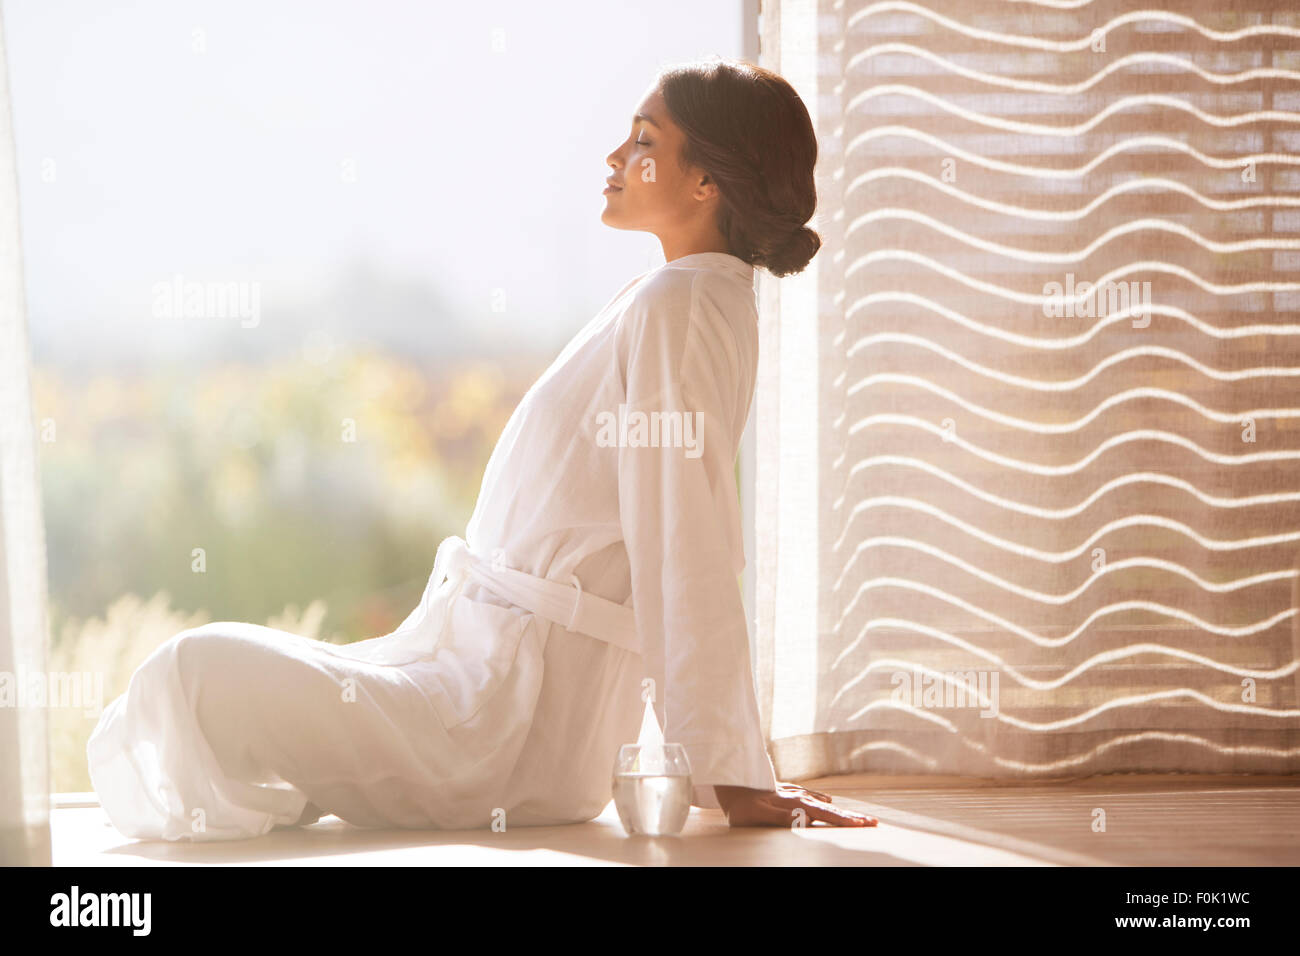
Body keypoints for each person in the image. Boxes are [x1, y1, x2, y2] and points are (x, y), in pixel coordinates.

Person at [86, 56, 876, 840]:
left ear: (707, 182)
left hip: (503, 729)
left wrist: (733, 772)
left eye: (643, 141)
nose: (614, 158)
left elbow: (686, 538)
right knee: (199, 675)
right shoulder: (680, 297)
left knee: (193, 670)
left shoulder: (684, 305)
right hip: (482, 689)